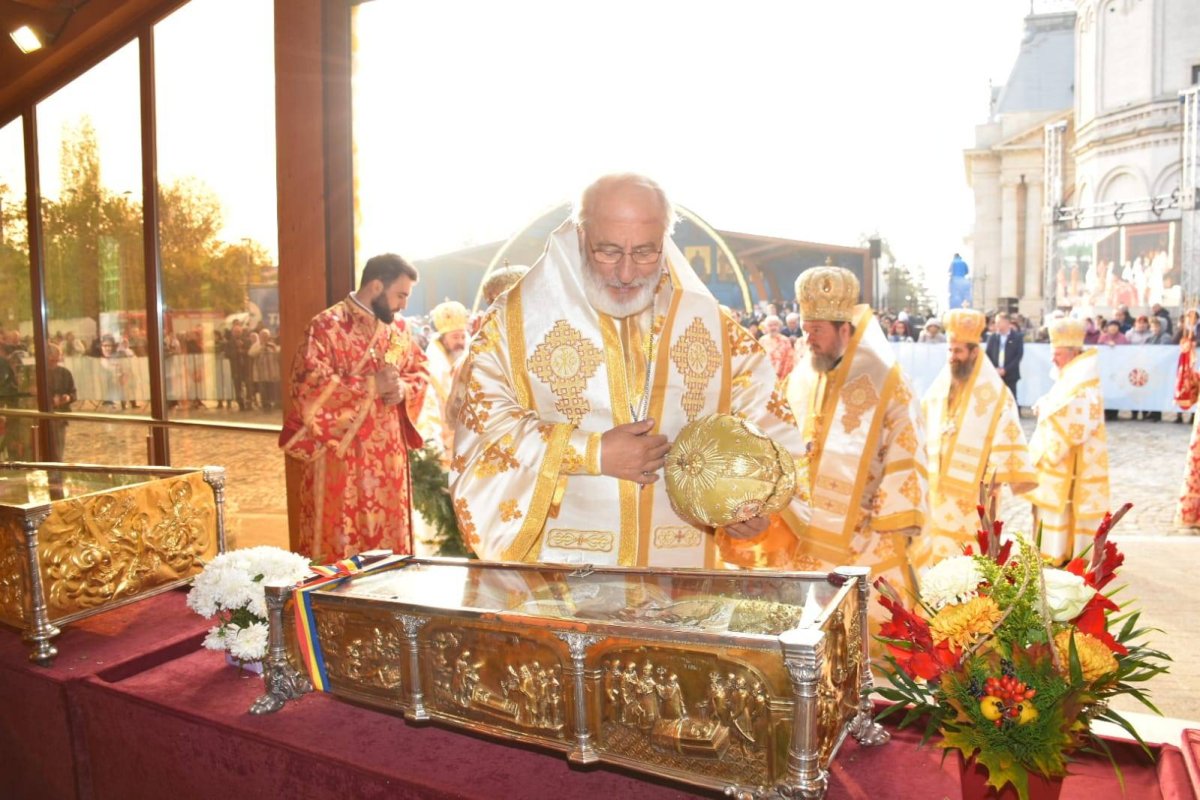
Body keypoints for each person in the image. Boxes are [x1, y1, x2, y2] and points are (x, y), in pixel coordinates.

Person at [449, 173, 804, 567]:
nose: (626, 273)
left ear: (665, 242)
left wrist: (757, 507)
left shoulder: (710, 327)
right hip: (561, 575)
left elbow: (769, 432)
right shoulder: (516, 324)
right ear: (581, 236)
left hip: (680, 579)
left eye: (645, 252)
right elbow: (483, 427)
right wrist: (591, 452)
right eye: (609, 251)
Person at [783, 265, 927, 606]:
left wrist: (895, 514)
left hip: (866, 532)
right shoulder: (805, 374)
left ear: (844, 329)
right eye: (806, 330)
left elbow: (907, 443)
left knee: (872, 623)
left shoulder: (886, 378)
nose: (809, 340)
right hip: (809, 526)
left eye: (817, 330)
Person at [280, 253, 429, 561]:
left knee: (390, 547)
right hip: (340, 457)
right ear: (376, 286)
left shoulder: (399, 329)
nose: (404, 305)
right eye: (400, 295)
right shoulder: (326, 326)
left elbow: (419, 371)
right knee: (340, 542)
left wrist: (404, 389)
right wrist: (370, 386)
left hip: (390, 462)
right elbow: (307, 386)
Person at [911, 310, 1035, 571]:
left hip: (975, 493)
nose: (952, 358)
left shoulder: (996, 395)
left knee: (971, 560)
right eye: (950, 351)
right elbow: (922, 427)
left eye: (958, 352)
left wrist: (992, 479)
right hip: (937, 489)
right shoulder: (939, 389)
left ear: (974, 352)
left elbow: (1007, 437)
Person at [1027, 317, 1110, 564]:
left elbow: (1080, 415)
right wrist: (1046, 404)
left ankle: (1069, 552)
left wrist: (1046, 409)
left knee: (1068, 505)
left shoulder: (1086, 379)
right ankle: (1053, 550)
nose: (1053, 359)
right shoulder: (1072, 375)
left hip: (1076, 462)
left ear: (1073, 353)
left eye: (1058, 354)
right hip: (1064, 462)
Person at [417, 300, 469, 462]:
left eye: (462, 336)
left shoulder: (466, 362)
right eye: (455, 337)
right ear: (443, 339)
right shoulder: (431, 369)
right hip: (443, 444)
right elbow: (430, 414)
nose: (460, 342)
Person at [45, 343, 78, 461]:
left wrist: (68, 397)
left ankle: (57, 472)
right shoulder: (39, 372)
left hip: (60, 416)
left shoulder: (65, 373)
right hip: (44, 414)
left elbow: (73, 393)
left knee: (58, 448)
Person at [985, 312, 1023, 400]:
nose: (996, 324)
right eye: (995, 322)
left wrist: (1005, 369)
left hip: (1010, 375)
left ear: (1006, 323)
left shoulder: (1017, 337)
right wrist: (995, 369)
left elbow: (1018, 356)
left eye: (999, 322)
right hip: (995, 374)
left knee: (1011, 399)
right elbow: (988, 355)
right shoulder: (992, 337)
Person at [757, 314, 795, 380]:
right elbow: (758, 359)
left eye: (775, 325)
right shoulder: (762, 340)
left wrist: (782, 378)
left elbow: (789, 360)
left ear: (779, 326)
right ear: (766, 327)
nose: (773, 328)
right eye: (770, 325)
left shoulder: (785, 340)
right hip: (766, 377)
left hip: (782, 377)